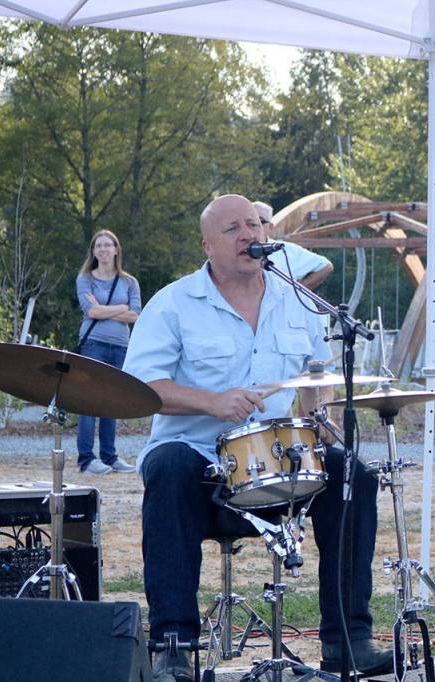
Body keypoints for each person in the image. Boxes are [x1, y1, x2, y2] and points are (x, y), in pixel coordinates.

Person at [122, 194, 390, 682]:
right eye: (233, 229)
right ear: (207, 244)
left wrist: (321, 421)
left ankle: (347, 642)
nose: (249, 234)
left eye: (253, 224)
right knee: (167, 467)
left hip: (274, 453)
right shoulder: (174, 303)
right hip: (197, 458)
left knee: (354, 474)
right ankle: (173, 646)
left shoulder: (295, 299)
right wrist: (212, 401)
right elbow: (142, 389)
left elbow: (315, 373)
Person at [75, 230, 141, 474]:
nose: (103, 249)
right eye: (98, 246)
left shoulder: (129, 282)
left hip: (121, 346)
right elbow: (91, 312)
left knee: (111, 402)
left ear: (116, 250)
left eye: (107, 245)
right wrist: (120, 308)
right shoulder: (85, 279)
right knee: (89, 401)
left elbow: (135, 315)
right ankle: (86, 459)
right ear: (93, 251)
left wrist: (104, 308)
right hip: (93, 343)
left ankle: (110, 456)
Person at [254, 200, 335, 290]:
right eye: (251, 222)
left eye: (261, 221)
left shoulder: (284, 250)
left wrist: (298, 292)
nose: (255, 226)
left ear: (270, 227)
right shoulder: (236, 250)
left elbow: (325, 266)